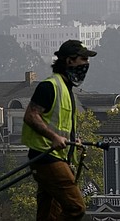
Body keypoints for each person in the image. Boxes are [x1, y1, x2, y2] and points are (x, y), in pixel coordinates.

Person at [23, 39, 97, 221]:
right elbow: (31, 115)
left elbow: (61, 124)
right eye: (83, 59)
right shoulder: (50, 86)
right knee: (76, 207)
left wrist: (73, 141)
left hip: (58, 157)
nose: (87, 64)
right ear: (70, 61)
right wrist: (54, 137)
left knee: (49, 214)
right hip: (47, 157)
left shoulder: (66, 89)